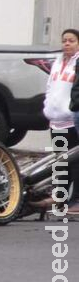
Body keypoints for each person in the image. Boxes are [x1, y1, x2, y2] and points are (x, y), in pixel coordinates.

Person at [46, 28, 79, 213]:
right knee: (60, 161)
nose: (67, 43)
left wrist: (69, 109)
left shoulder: (78, 63)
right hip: (55, 120)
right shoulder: (57, 63)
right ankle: (60, 197)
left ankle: (76, 200)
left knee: (74, 161)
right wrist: (47, 107)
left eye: (71, 40)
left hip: (71, 119)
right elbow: (50, 86)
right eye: (64, 40)